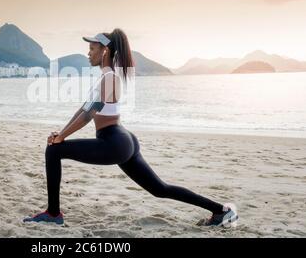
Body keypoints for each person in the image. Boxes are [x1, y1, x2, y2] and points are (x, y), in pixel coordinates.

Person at [23, 29, 238, 227]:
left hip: (113, 141)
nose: (88, 53)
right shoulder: (105, 78)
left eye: (92, 49)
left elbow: (89, 115)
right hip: (122, 140)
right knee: (159, 189)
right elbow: (82, 110)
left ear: (105, 50)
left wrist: (60, 139)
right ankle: (221, 211)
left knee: (53, 151)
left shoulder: (110, 78)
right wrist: (60, 134)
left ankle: (53, 214)